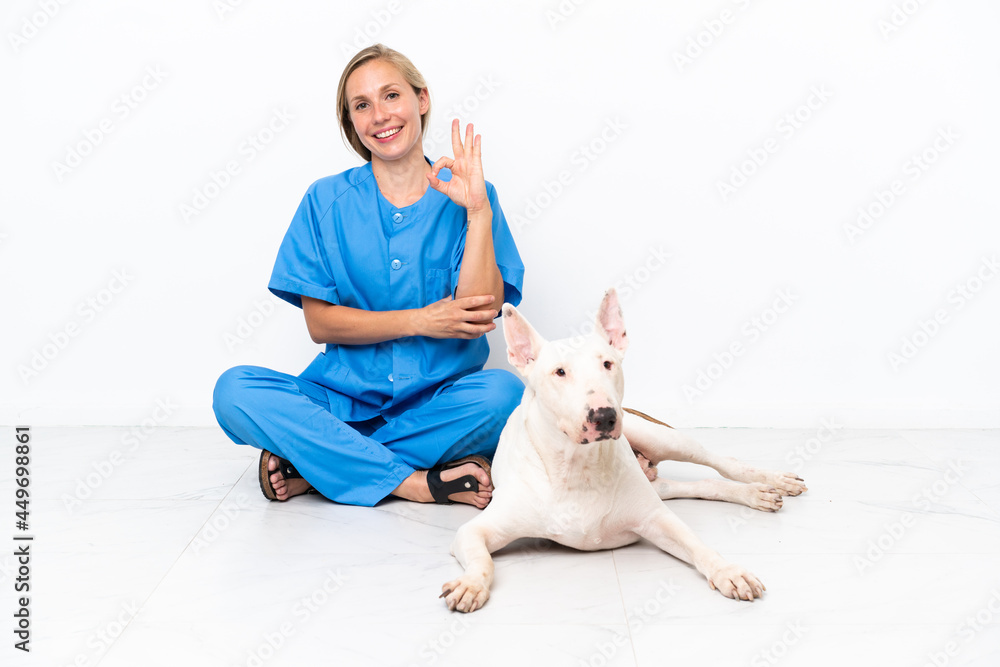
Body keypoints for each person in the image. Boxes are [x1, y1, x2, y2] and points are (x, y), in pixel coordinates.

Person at [212, 44, 525, 509]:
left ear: (421, 100)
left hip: (439, 406)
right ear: (353, 124)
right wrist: (421, 320)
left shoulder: (473, 196)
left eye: (391, 96)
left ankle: (318, 468)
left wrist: (478, 213)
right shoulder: (325, 201)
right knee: (234, 391)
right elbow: (321, 325)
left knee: (507, 395)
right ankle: (414, 482)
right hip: (338, 404)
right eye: (362, 106)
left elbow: (480, 313)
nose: (380, 115)